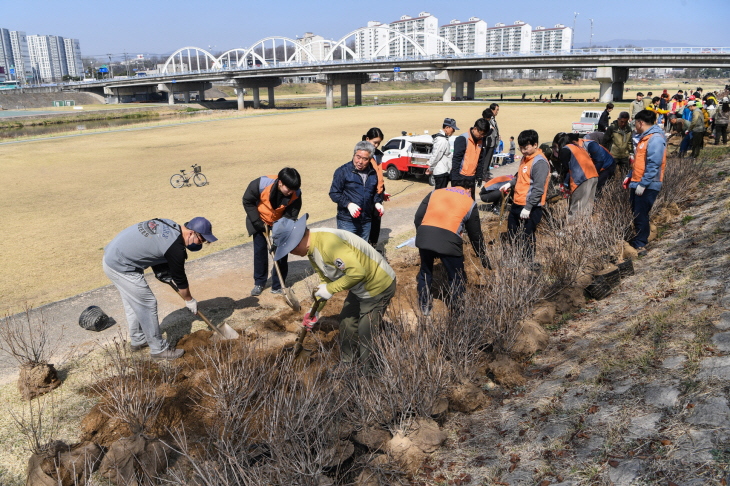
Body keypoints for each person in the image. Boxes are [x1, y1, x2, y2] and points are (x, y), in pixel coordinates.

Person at [271, 214, 396, 370]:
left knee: (366, 331)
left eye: (289, 250)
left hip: (378, 284)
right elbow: (326, 279)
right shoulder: (312, 249)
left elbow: (358, 273)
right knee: (347, 320)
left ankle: (369, 373)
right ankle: (348, 363)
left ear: (295, 243)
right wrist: (314, 311)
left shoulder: (328, 244)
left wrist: (330, 289)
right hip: (360, 286)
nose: (291, 254)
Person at [103, 217, 217, 360]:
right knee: (147, 303)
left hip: (114, 256)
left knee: (133, 302)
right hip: (120, 265)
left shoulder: (170, 225)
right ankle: (158, 349)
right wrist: (189, 300)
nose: (201, 243)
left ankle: (138, 339)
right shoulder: (176, 249)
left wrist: (160, 268)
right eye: (201, 240)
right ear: (191, 233)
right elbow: (180, 279)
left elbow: (153, 245)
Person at [414, 186, 489, 316]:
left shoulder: (435, 192)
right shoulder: (469, 201)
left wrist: (424, 236)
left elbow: (418, 217)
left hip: (425, 236)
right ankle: (457, 311)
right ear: (468, 190)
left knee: (425, 271)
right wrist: (482, 256)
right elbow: (475, 234)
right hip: (449, 241)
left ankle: (424, 306)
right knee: (456, 277)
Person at [242, 168, 302, 296]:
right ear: (280, 183)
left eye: (294, 189)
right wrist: (257, 222)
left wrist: (280, 236)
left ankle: (278, 285)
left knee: (281, 252)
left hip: (280, 222)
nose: (291, 192)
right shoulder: (261, 184)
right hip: (260, 219)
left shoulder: (296, 193)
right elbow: (247, 200)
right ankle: (259, 282)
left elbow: (291, 216)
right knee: (260, 251)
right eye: (289, 189)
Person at [498, 129, 549, 261]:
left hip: (530, 207)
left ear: (535, 145)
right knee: (512, 231)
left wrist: (528, 207)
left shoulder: (540, 163)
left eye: (525, 147)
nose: (523, 151)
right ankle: (515, 258)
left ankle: (528, 261)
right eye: (521, 148)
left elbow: (538, 188)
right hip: (517, 203)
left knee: (527, 235)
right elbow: (521, 177)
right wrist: (510, 184)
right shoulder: (525, 159)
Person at [623, 110, 666, 257]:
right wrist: (630, 175)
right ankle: (639, 239)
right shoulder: (644, 138)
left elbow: (654, 163)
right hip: (637, 182)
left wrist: (644, 183)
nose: (634, 125)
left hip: (647, 184)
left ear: (641, 122)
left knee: (640, 214)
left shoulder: (655, 138)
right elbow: (639, 162)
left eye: (635, 122)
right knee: (637, 213)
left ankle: (640, 244)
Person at [330, 141, 382, 242]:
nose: (360, 162)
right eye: (358, 157)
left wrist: (377, 202)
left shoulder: (373, 173)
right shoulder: (342, 171)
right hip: (347, 221)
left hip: (366, 221)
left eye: (365, 159)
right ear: (354, 155)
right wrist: (348, 204)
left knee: (362, 252)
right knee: (347, 252)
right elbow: (334, 193)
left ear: (370, 159)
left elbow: (373, 192)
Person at [554, 132, 598, 218]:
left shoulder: (565, 150)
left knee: (576, 207)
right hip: (593, 176)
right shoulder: (578, 147)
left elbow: (565, 169)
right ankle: (585, 229)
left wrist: (563, 183)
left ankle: (570, 229)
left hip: (582, 179)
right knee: (587, 207)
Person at [450, 118, 489, 200]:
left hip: (471, 178)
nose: (482, 136)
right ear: (475, 129)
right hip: (460, 177)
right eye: (481, 134)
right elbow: (456, 160)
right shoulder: (462, 139)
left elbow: (480, 160)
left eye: (483, 135)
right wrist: (455, 179)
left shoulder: (480, 141)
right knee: (458, 202)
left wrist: (479, 176)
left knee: (470, 203)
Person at [362, 128, 388, 247]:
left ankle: (373, 246)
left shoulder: (377, 155)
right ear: (367, 139)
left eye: (379, 143)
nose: (377, 145)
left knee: (376, 223)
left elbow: (379, 175)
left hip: (378, 195)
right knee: (366, 224)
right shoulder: (362, 155)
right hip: (368, 197)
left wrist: (383, 190)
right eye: (375, 142)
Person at [427, 118, 458, 189]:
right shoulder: (442, 141)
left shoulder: (443, 139)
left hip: (443, 172)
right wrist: (431, 168)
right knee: (439, 194)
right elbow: (436, 156)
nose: (454, 131)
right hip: (441, 172)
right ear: (447, 127)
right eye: (453, 129)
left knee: (440, 193)